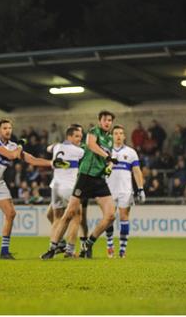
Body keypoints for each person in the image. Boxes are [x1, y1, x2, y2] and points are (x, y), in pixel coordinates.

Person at [0, 118, 68, 260]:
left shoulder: (13, 146)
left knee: (11, 213)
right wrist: (20, 146)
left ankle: (4, 251)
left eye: (9, 128)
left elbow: (32, 160)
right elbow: (11, 155)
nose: (8, 130)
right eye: (4, 128)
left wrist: (52, 163)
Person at [41, 110, 117, 259]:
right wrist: (106, 156)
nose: (108, 122)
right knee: (69, 214)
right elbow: (91, 145)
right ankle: (53, 248)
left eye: (110, 120)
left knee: (110, 216)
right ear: (100, 121)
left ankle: (88, 243)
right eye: (105, 120)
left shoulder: (109, 139)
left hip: (99, 180)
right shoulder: (93, 131)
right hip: (85, 178)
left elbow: (110, 158)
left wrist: (109, 166)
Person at [104, 125, 145, 258]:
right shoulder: (105, 151)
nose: (118, 136)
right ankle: (110, 245)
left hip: (125, 190)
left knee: (124, 218)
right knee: (109, 218)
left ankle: (122, 250)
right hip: (108, 190)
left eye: (121, 133)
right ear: (111, 136)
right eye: (116, 133)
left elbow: (137, 171)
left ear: (124, 136)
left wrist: (141, 189)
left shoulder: (131, 152)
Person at [46, 126, 84, 257]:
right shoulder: (78, 150)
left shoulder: (57, 147)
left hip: (55, 186)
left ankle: (54, 246)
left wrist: (55, 146)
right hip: (69, 187)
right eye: (77, 136)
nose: (80, 139)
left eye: (80, 136)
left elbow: (48, 148)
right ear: (70, 137)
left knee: (57, 217)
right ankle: (70, 250)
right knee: (76, 216)